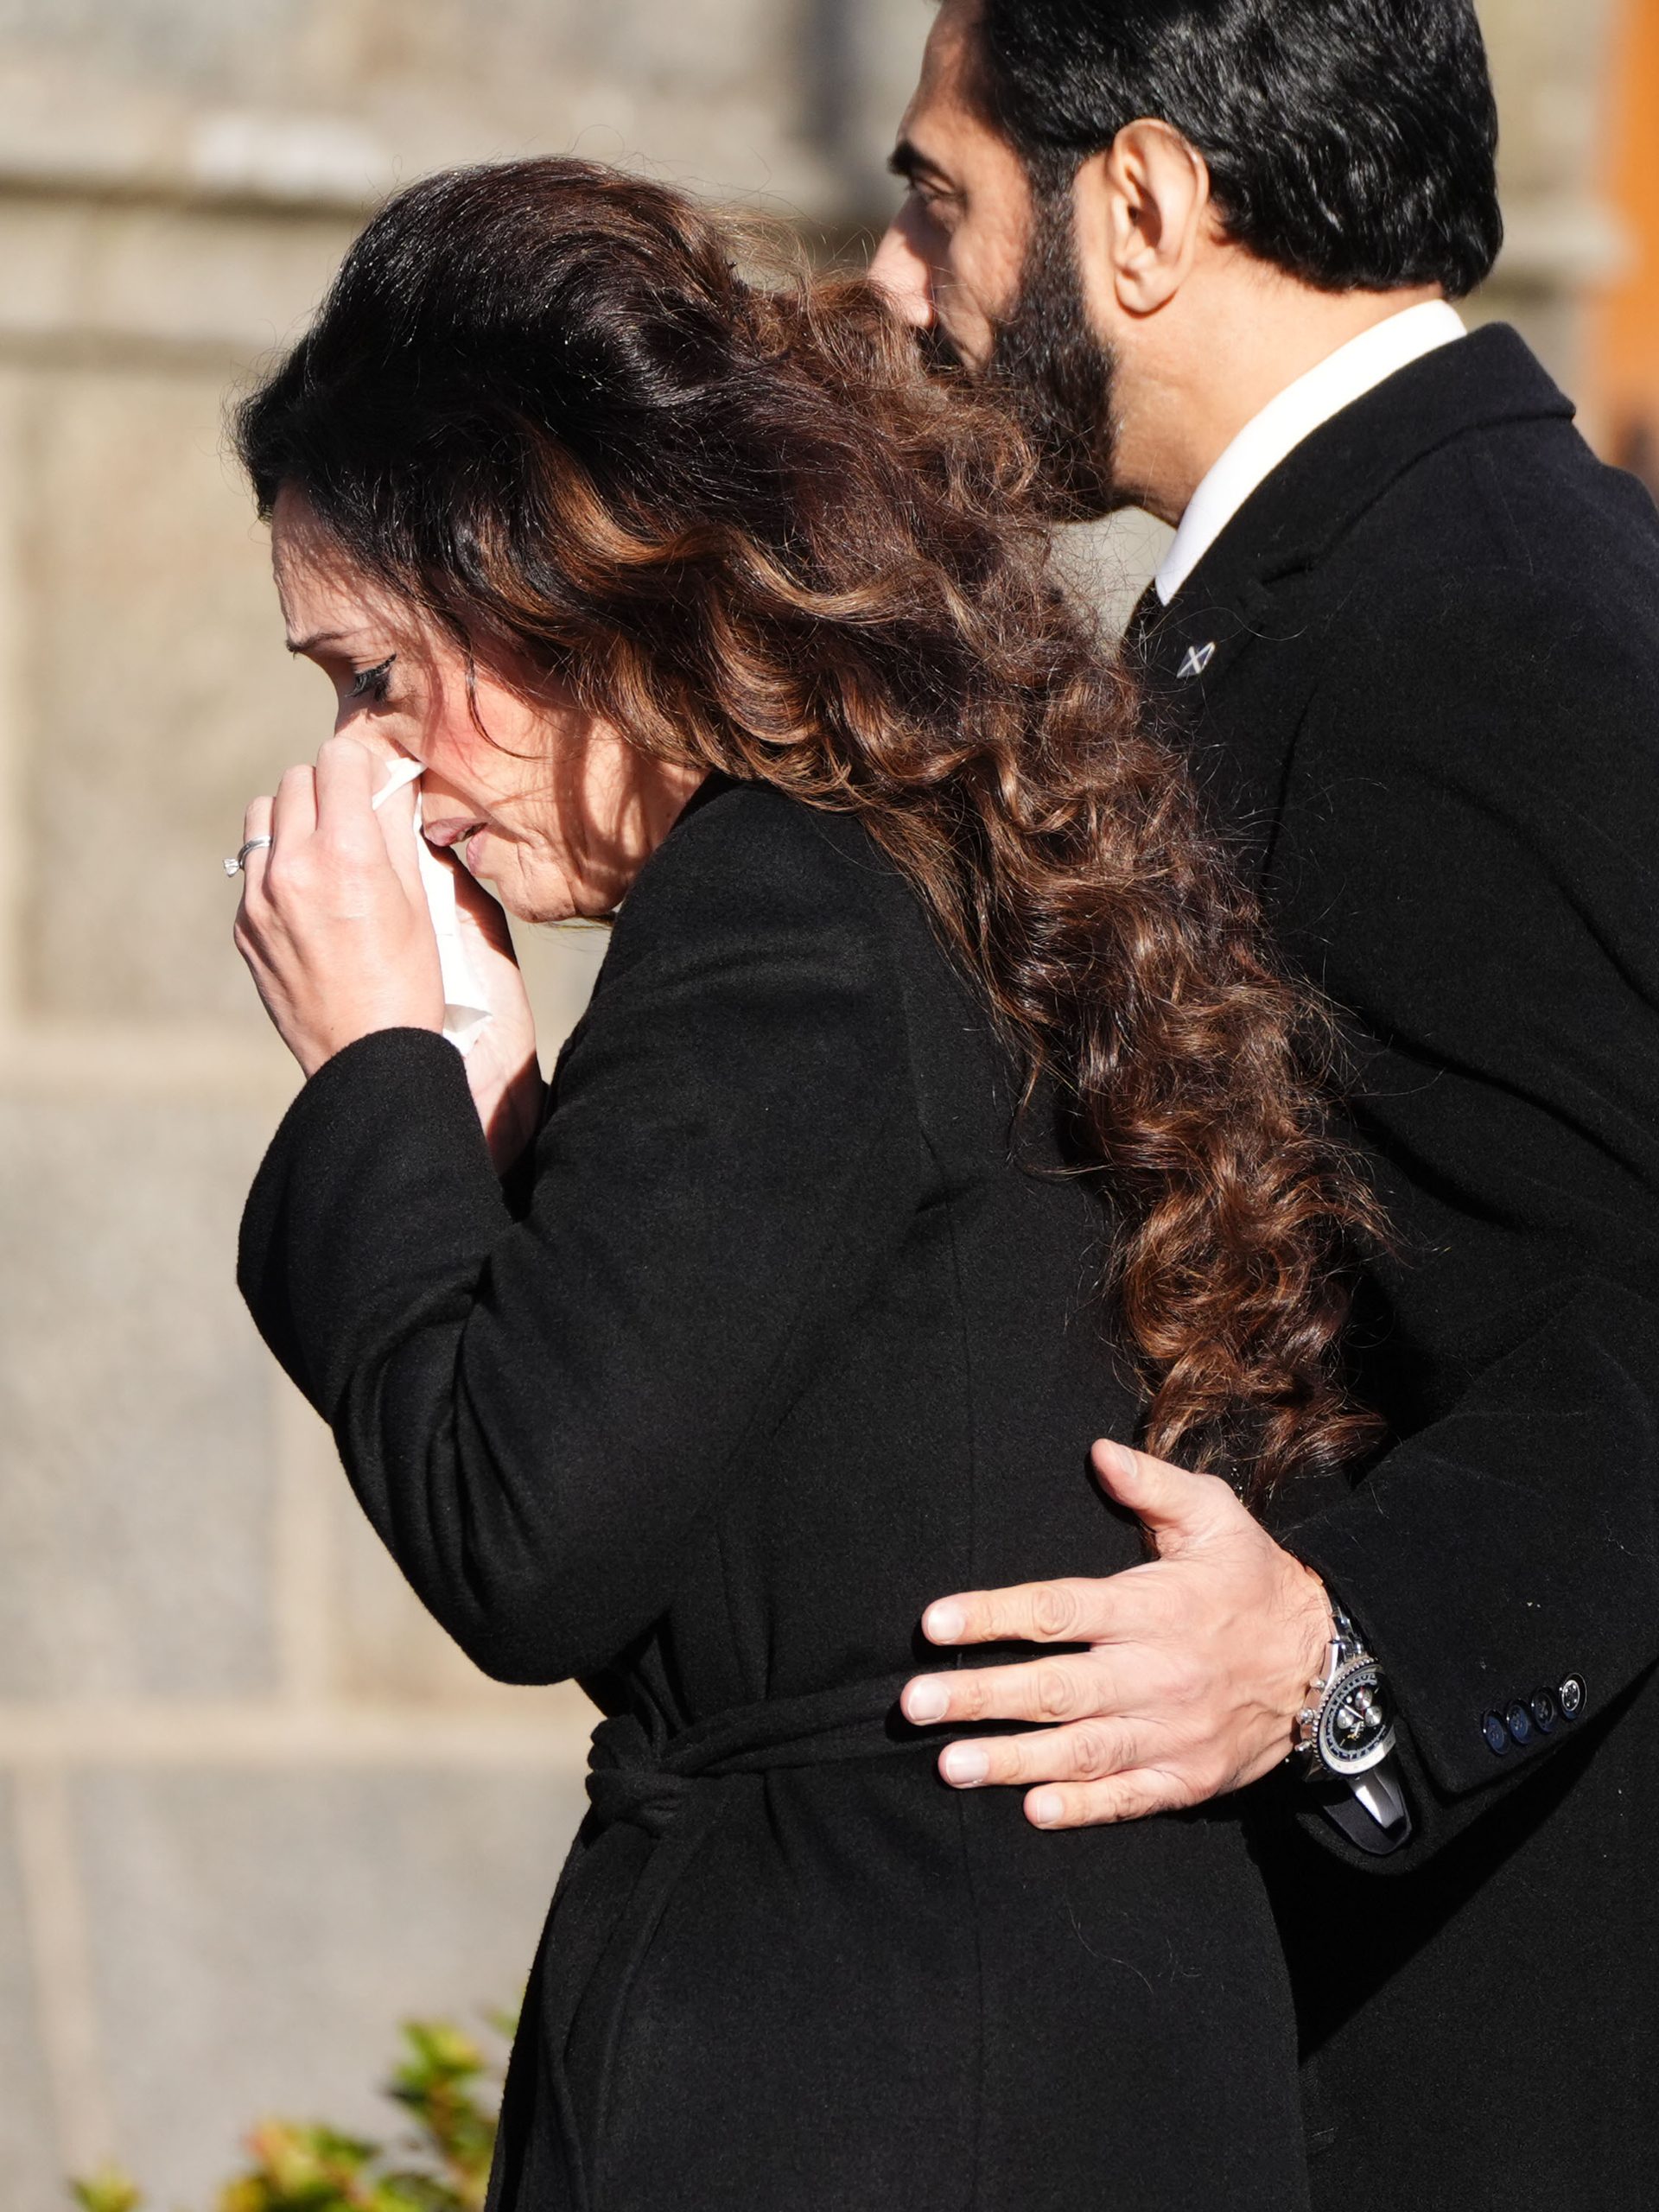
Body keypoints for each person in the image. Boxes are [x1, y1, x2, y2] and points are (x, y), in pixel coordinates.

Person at [227, 158, 1378, 2209]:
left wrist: (373, 1066)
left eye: (376, 676)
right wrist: (488, 1113)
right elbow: (704, 1530)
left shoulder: (779, 906)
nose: (372, 773)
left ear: (548, 575)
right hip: (1002, 2031)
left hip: (882, 2069)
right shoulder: (887, 859)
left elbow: (526, 1535)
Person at [872, 3, 1659, 2205]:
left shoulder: (1477, 613)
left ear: (1142, 208)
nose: (892, 277)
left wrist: (1336, 1649)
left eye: (940, 193)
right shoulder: (1348, 581)